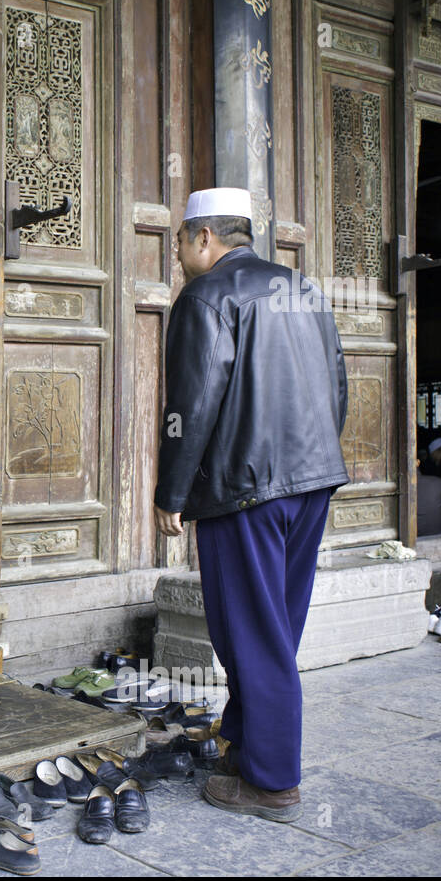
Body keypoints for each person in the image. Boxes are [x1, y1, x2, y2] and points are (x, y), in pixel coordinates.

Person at [154, 187, 348, 824]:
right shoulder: (305, 290)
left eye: (181, 242)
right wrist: (314, 464)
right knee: (276, 627)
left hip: (244, 490)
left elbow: (192, 404)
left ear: (204, 239)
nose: (180, 256)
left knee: (250, 631)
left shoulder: (206, 295)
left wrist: (172, 493)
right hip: (311, 481)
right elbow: (337, 387)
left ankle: (271, 782)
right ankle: (243, 742)